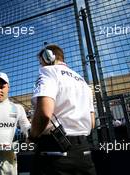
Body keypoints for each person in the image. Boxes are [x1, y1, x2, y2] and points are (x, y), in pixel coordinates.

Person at [29, 44, 97, 175]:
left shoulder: (48, 71)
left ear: (48, 57)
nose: (41, 65)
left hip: (54, 151)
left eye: (40, 62)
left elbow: (44, 113)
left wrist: (32, 136)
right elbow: (92, 122)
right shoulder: (83, 82)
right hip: (84, 151)